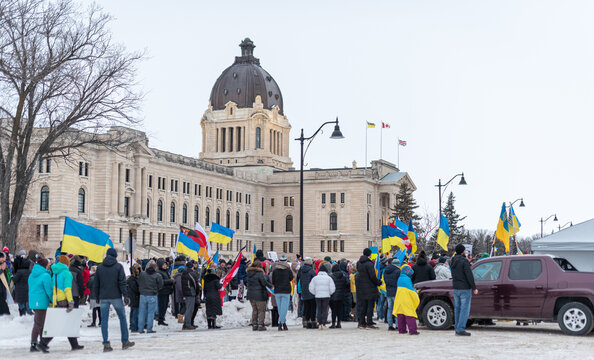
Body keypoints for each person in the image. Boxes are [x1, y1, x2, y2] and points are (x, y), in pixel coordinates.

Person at [40, 255, 84, 351]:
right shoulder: (66, 273)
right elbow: (68, 289)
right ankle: (43, 343)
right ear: (67, 263)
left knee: (66, 322)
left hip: (57, 301)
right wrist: (71, 301)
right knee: (61, 323)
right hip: (64, 301)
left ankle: (74, 344)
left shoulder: (55, 273)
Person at [94, 248, 134, 352]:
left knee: (104, 321)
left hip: (103, 297)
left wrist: (96, 297)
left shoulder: (100, 267)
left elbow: (96, 284)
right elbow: (122, 282)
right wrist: (125, 296)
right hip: (116, 296)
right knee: (122, 318)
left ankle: (106, 344)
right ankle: (125, 341)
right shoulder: (118, 267)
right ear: (115, 256)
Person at [451, 243, 477, 336]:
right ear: (462, 251)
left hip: (456, 287)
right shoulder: (464, 261)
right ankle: (460, 329)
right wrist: (474, 287)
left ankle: (457, 328)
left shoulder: (452, 260)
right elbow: (469, 275)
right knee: (464, 309)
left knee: (457, 309)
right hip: (464, 288)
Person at [28, 258, 52, 352]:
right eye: (47, 264)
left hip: (34, 302)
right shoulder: (45, 276)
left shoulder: (32, 275)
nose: (48, 266)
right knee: (39, 324)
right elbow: (49, 290)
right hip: (42, 302)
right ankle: (34, 344)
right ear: (44, 265)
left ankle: (42, 343)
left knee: (40, 323)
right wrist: (52, 300)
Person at [355, 248, 381, 329]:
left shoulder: (359, 263)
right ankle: (369, 322)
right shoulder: (369, 264)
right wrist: (378, 282)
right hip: (369, 288)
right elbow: (372, 276)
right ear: (369, 254)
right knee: (370, 306)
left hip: (361, 288)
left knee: (363, 306)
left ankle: (362, 322)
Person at [137, 259, 163, 335]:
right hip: (152, 295)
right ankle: (149, 329)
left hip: (142, 295)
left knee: (142, 312)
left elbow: (139, 282)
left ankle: (140, 329)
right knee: (150, 313)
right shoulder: (157, 275)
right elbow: (160, 285)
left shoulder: (142, 274)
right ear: (155, 268)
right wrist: (156, 289)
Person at [393, 264, 420, 335]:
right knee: (410, 315)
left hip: (399, 298)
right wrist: (416, 292)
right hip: (406, 299)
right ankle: (413, 330)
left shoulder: (400, 278)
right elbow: (411, 291)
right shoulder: (407, 279)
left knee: (400, 314)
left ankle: (402, 330)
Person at [309, 263, 335, 329]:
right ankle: (323, 323)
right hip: (326, 296)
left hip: (318, 296)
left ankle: (319, 322)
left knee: (319, 309)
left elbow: (311, 288)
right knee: (324, 309)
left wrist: (315, 293)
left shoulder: (315, 278)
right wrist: (329, 293)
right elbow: (332, 288)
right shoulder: (329, 278)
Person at [271, 254, 293, 331]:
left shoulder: (275, 271)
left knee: (280, 308)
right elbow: (291, 278)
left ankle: (282, 323)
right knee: (284, 308)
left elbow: (273, 281)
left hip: (277, 290)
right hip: (286, 290)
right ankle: (281, 322)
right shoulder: (288, 270)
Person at [246, 260, 270, 331]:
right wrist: (271, 286)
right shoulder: (260, 273)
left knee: (255, 310)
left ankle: (254, 324)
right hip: (259, 294)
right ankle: (260, 325)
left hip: (251, 294)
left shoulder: (249, 273)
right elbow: (264, 282)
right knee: (261, 310)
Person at [296, 257, 317, 329]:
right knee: (312, 307)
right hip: (311, 291)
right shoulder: (311, 271)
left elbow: (298, 279)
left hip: (304, 291)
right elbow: (315, 279)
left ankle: (307, 322)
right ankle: (313, 321)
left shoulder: (301, 270)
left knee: (306, 307)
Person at [383, 258, 401, 331]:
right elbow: (398, 282)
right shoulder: (398, 271)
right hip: (396, 292)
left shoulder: (386, 271)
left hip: (389, 292)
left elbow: (385, 281)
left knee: (390, 309)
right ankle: (397, 325)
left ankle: (390, 325)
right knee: (397, 309)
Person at [329, 264, 349, 329]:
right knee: (340, 310)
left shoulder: (331, 276)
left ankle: (333, 323)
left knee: (334, 310)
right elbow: (347, 284)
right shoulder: (343, 276)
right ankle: (339, 323)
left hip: (333, 295)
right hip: (341, 295)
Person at [156, 258, 174, 326]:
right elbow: (161, 282)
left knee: (165, 306)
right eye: (163, 265)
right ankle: (160, 319)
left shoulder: (165, 272)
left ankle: (162, 318)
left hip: (166, 291)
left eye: (165, 264)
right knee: (162, 306)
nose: (165, 266)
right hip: (162, 292)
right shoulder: (159, 272)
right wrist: (170, 281)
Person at [181, 261, 198, 330]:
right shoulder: (191, 273)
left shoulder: (184, 273)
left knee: (188, 308)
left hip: (185, 292)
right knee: (190, 309)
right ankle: (187, 324)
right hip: (191, 292)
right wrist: (197, 292)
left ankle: (186, 323)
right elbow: (195, 284)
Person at [126, 263, 141, 332]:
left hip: (134, 297)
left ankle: (133, 326)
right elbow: (135, 288)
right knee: (135, 312)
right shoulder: (132, 279)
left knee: (134, 312)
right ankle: (134, 327)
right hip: (135, 297)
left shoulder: (133, 278)